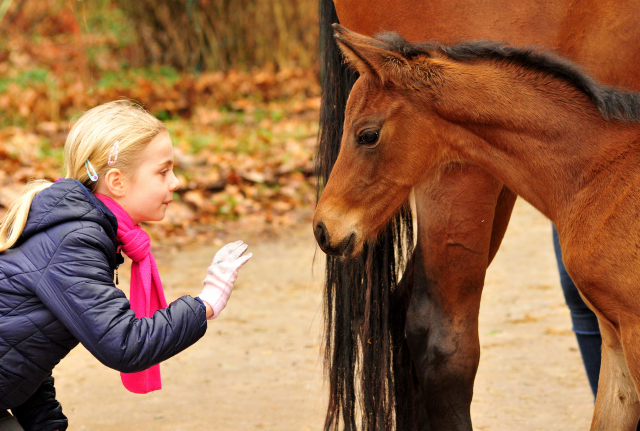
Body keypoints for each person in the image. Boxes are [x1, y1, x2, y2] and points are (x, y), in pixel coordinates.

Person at [0, 100, 252, 431]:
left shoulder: (77, 230)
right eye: (163, 171)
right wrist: (206, 302)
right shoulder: (75, 239)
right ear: (117, 182)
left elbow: (24, 352)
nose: (175, 182)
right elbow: (123, 344)